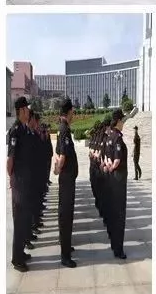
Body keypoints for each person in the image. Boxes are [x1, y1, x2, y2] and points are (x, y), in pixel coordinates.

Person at [7, 97, 33, 272]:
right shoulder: (15, 131)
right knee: (19, 221)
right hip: (20, 183)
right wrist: (13, 178)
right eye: (27, 109)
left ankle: (21, 252)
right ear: (22, 111)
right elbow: (10, 159)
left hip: (26, 181)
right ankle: (16, 260)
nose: (29, 111)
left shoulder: (24, 129)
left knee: (24, 220)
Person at [55, 98, 78, 268]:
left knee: (67, 215)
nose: (74, 114)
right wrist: (57, 169)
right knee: (66, 215)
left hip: (68, 179)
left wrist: (57, 166)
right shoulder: (64, 129)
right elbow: (62, 156)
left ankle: (66, 246)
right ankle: (65, 256)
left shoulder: (63, 128)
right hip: (66, 180)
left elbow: (57, 153)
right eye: (73, 111)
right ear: (69, 112)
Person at [105, 109, 128, 259]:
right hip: (119, 178)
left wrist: (109, 167)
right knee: (120, 214)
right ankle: (119, 250)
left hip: (112, 179)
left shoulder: (109, 136)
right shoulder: (118, 137)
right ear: (118, 121)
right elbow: (117, 160)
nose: (123, 123)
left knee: (113, 212)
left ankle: (114, 245)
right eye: (122, 120)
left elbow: (107, 158)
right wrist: (113, 167)